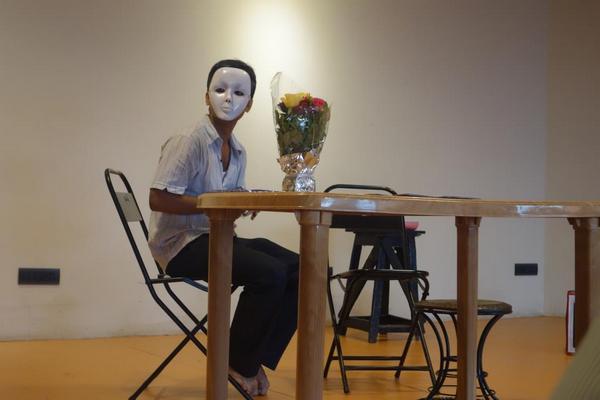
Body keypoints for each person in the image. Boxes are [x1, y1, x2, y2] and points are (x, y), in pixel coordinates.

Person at [147, 59, 299, 396]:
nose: (228, 98)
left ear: (250, 105)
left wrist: (244, 200)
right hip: (180, 245)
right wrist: (215, 204)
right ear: (206, 97)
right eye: (219, 89)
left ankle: (251, 359)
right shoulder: (189, 140)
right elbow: (158, 198)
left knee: (302, 267)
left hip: (218, 238)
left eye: (239, 93)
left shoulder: (239, 151)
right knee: (270, 273)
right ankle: (237, 363)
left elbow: (225, 200)